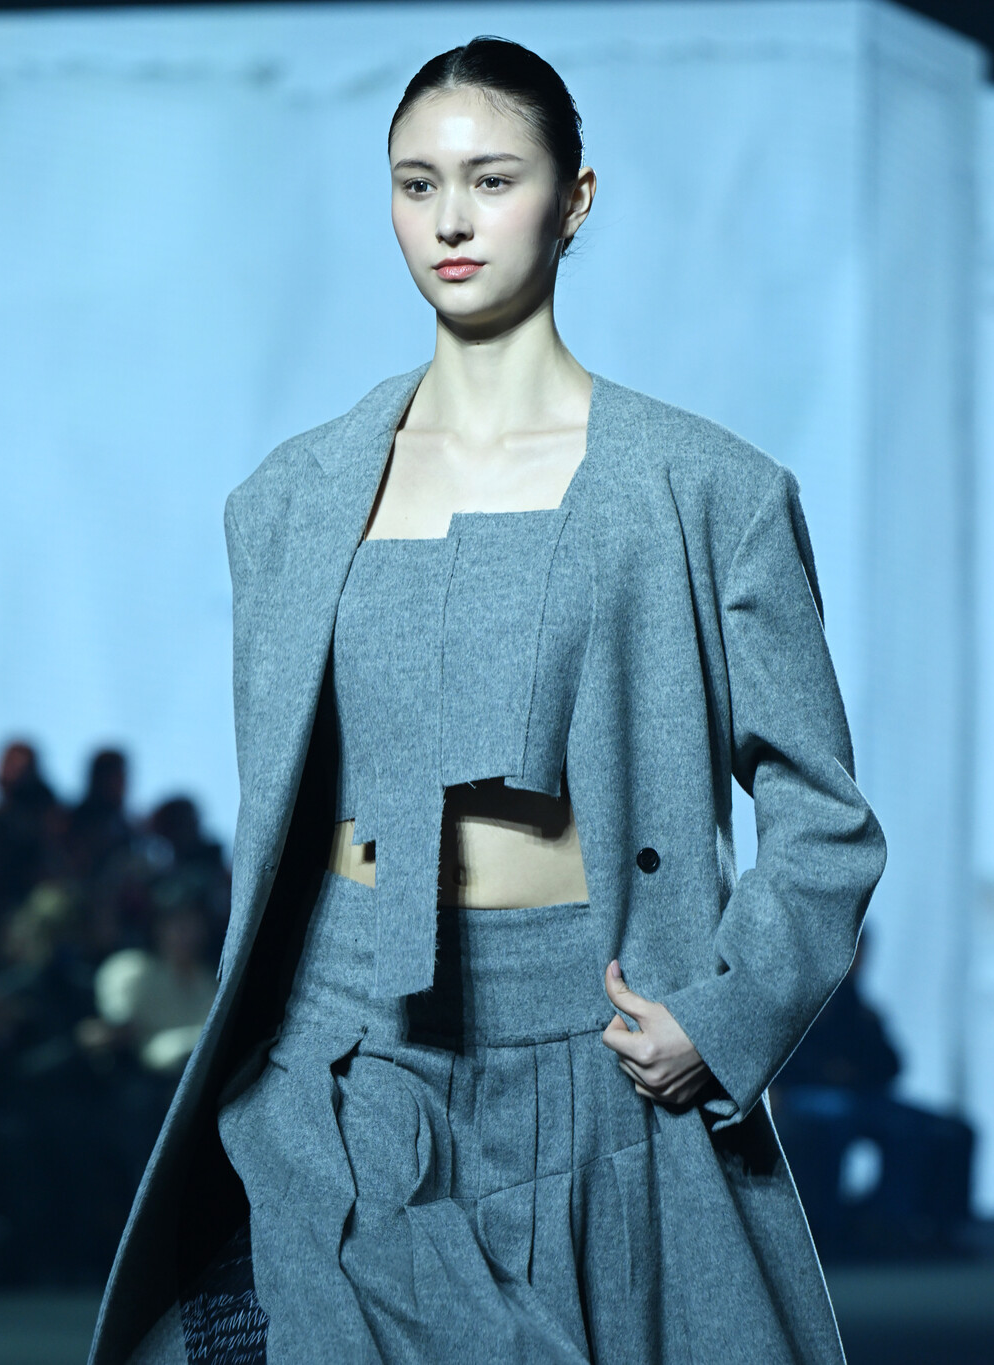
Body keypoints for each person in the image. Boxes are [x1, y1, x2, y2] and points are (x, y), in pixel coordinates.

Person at [90, 35, 887, 1365]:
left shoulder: (707, 494)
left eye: (492, 179)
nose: (450, 220)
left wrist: (726, 1012)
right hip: (344, 1061)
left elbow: (826, 818)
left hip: (598, 1061)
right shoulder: (290, 502)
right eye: (417, 184)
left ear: (574, 199)